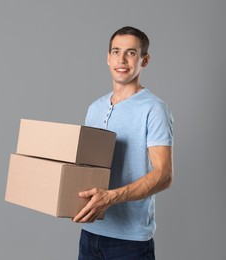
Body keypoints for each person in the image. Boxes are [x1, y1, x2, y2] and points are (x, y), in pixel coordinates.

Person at [72, 26, 174, 260]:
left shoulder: (154, 109)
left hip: (130, 241)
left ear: (144, 60)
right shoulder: (95, 107)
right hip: (90, 231)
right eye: (116, 51)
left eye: (131, 53)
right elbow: (86, 167)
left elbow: (164, 175)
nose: (122, 59)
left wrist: (112, 197)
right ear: (108, 58)